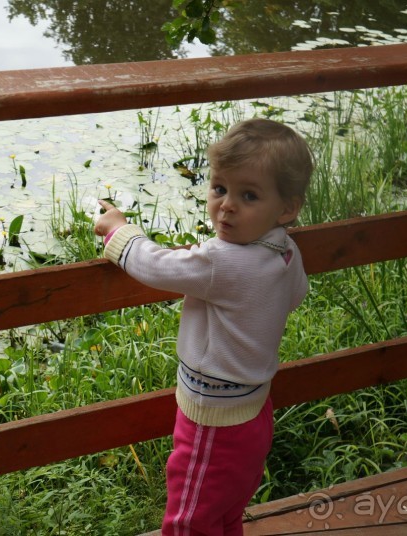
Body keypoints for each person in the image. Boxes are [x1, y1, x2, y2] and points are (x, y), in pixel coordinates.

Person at [93, 117, 313, 535]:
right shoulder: (285, 251)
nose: (226, 205)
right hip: (253, 412)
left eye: (248, 195)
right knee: (225, 512)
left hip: (214, 424)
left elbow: (154, 264)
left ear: (287, 208)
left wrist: (118, 232)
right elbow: (295, 294)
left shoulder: (222, 260)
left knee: (188, 523)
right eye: (219, 188)